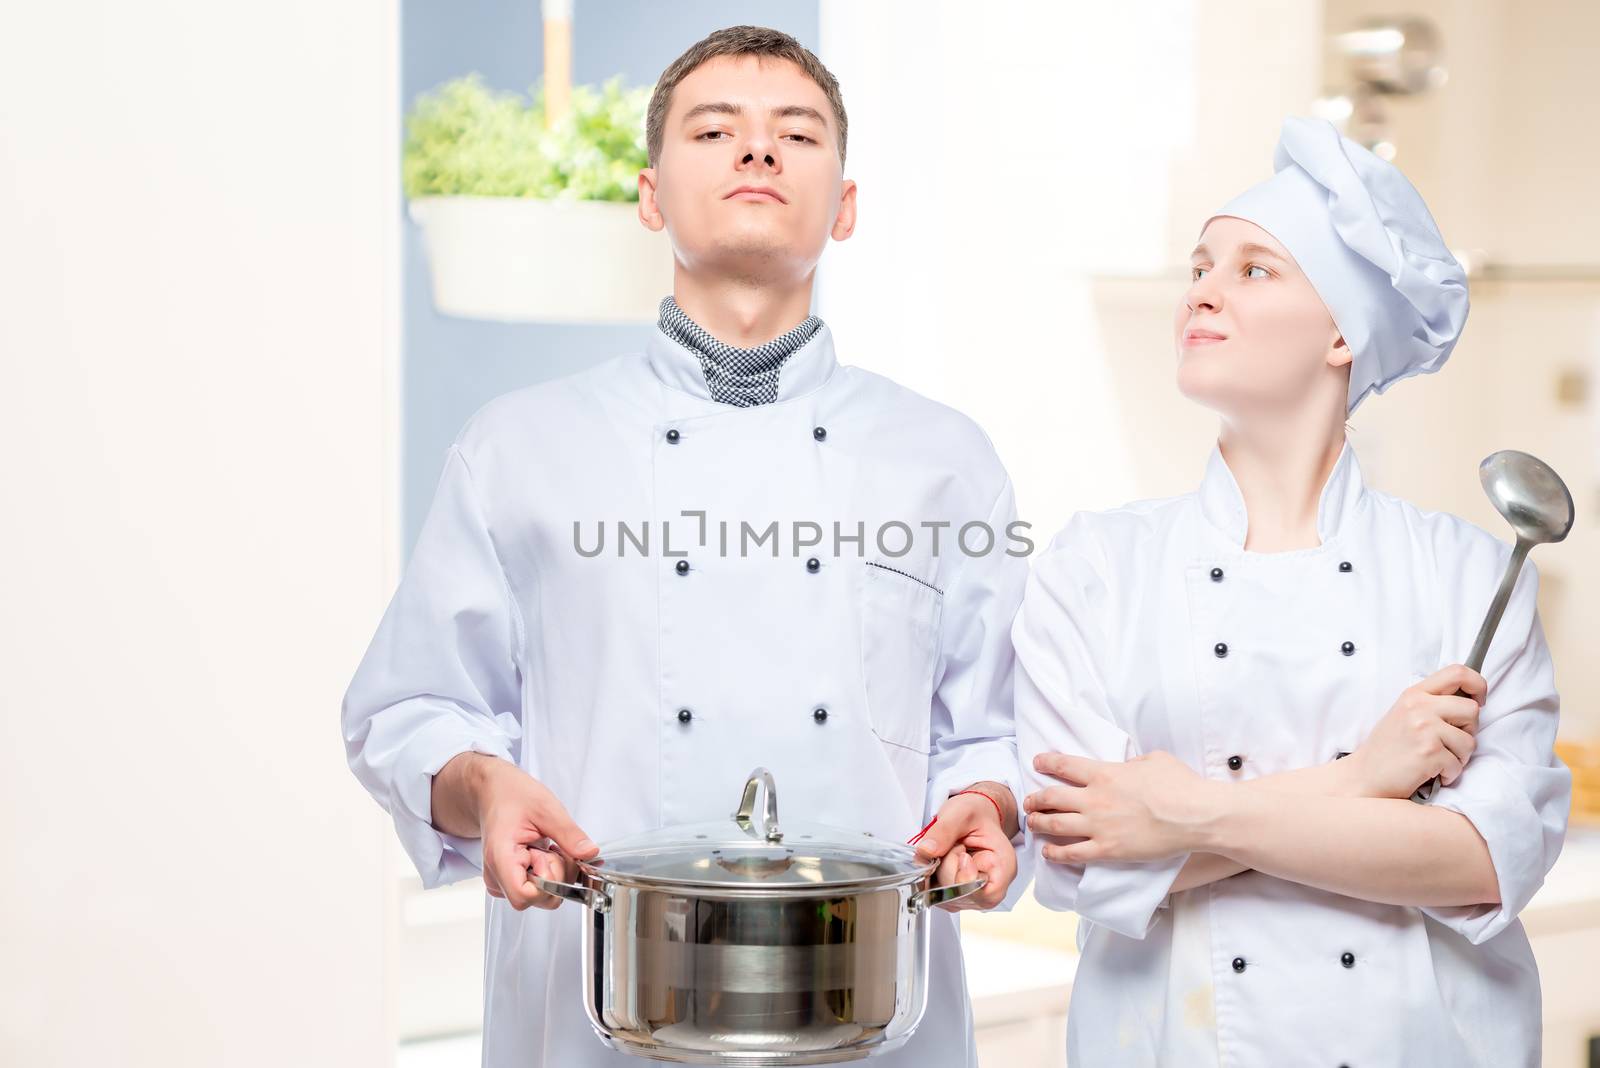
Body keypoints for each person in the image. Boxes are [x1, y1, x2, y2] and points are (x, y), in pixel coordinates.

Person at [344, 25, 1029, 1067]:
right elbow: (406, 708)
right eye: (715, 130)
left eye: (795, 134)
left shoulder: (943, 458)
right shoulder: (518, 449)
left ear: (844, 206)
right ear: (650, 196)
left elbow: (1003, 729)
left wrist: (986, 803)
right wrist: (484, 786)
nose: (757, 152)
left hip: (864, 1009)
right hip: (598, 1005)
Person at [1014, 117, 1569, 1066]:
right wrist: (1365, 782)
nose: (1202, 292)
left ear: (1343, 334)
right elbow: (1087, 855)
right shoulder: (1097, 567)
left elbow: (1483, 862)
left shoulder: (1469, 575)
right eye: (1199, 267)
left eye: (1252, 269)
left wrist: (1184, 815)